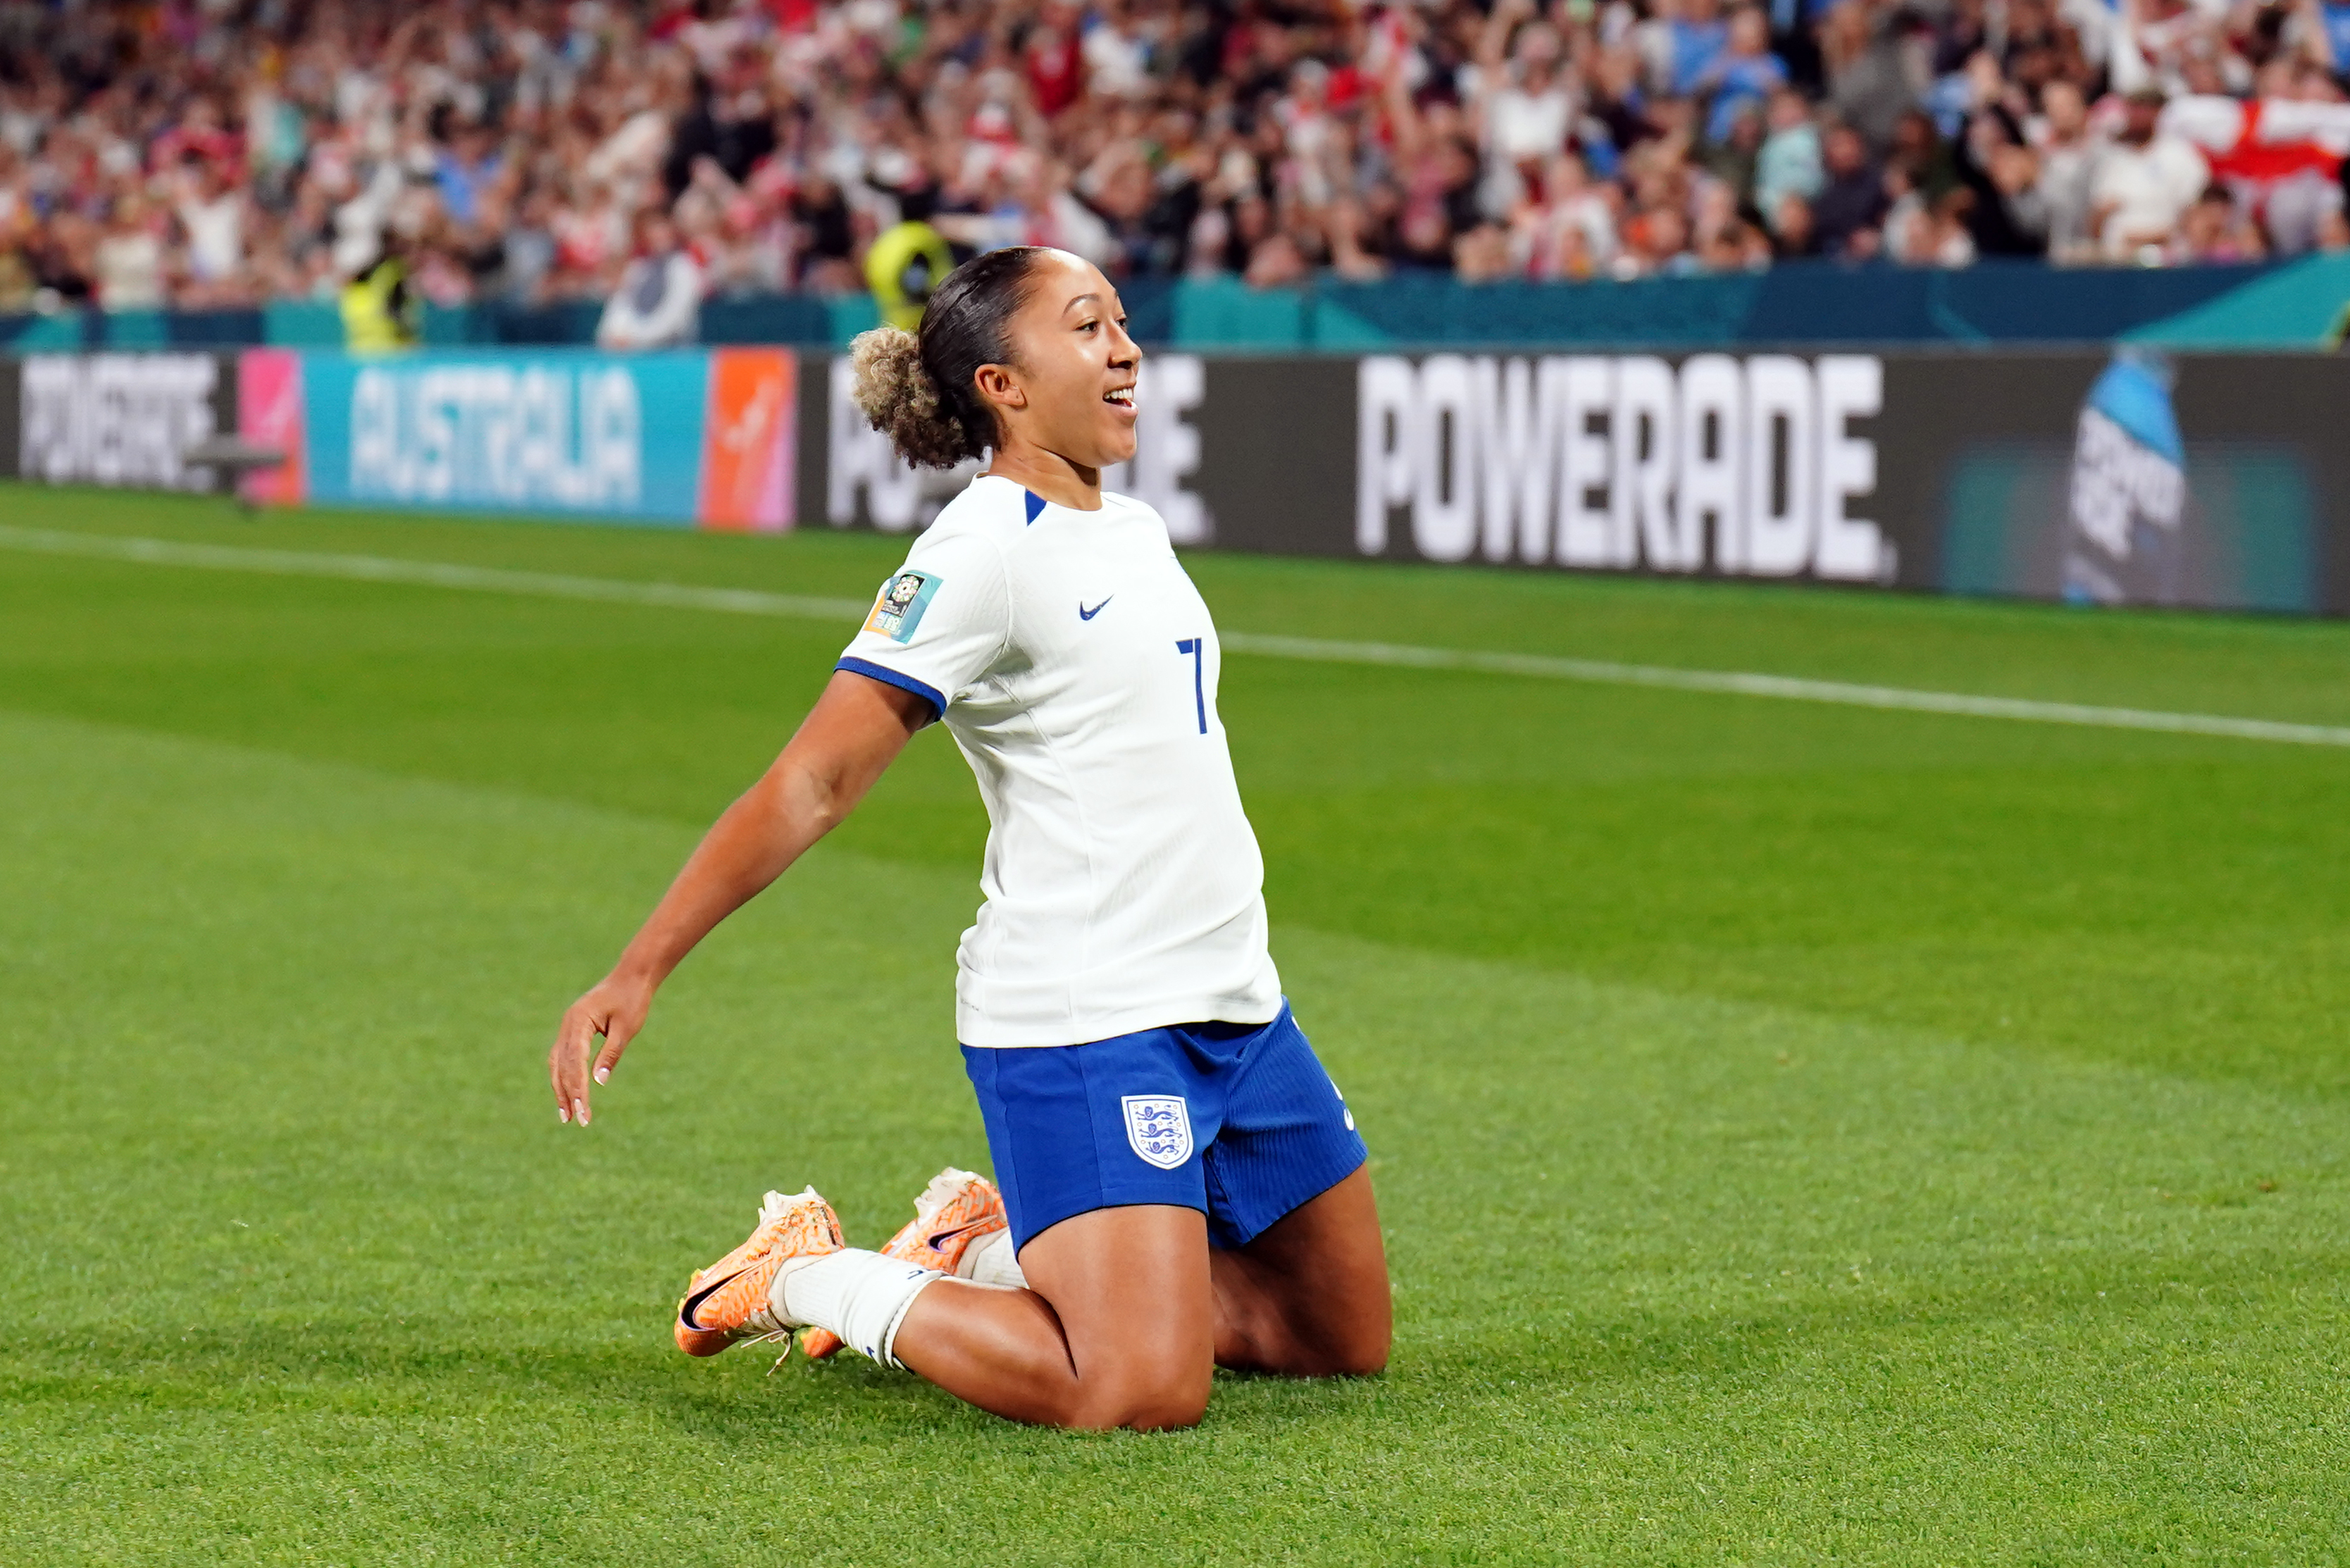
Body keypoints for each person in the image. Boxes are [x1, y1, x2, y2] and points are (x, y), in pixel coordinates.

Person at [547, 246, 1391, 1431]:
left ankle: (982, 1248)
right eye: (1088, 327)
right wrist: (640, 964)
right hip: (1090, 1011)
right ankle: (801, 1272)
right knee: (1136, 1388)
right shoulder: (980, 549)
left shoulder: (1134, 527)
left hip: (1236, 998)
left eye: (1122, 323)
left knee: (1336, 1337)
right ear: (1003, 383)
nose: (1126, 350)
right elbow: (814, 782)